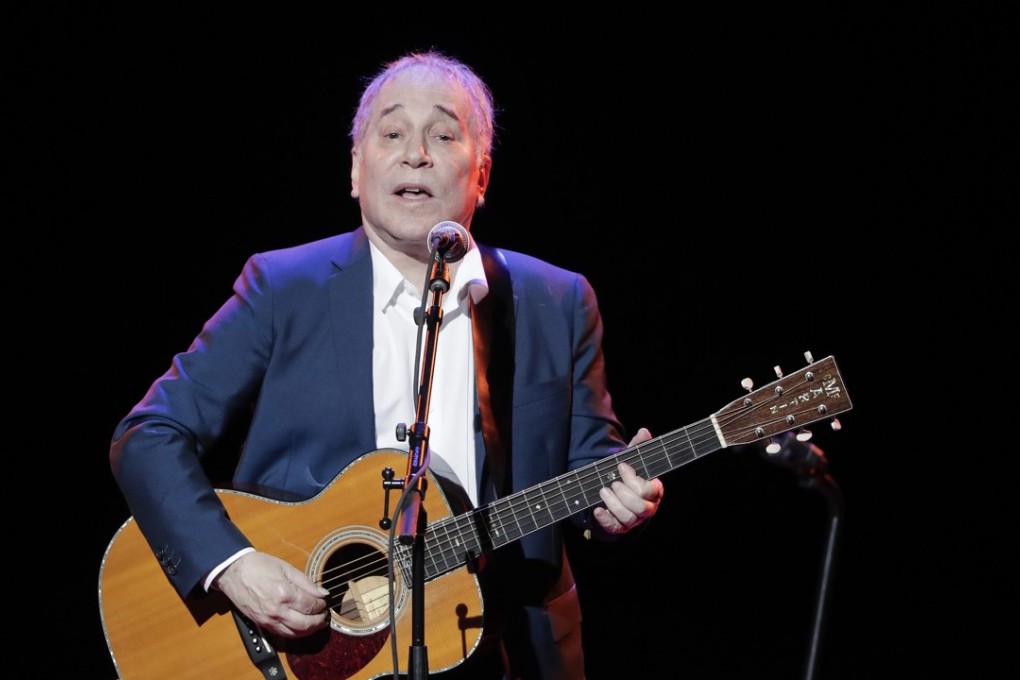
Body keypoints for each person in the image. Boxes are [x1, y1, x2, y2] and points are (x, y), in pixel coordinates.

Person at [108, 49, 664, 680]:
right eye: (393, 133)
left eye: (444, 135)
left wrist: (619, 508)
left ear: (482, 174)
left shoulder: (555, 301)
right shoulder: (283, 287)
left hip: (503, 650)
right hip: (304, 652)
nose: (415, 154)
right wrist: (233, 565)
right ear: (356, 169)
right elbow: (147, 435)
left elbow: (592, 475)